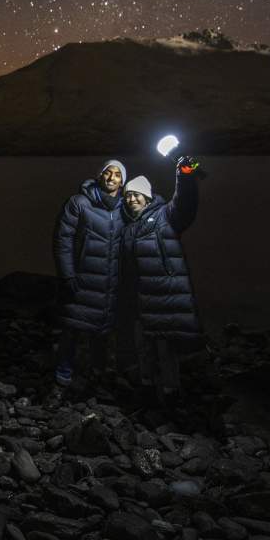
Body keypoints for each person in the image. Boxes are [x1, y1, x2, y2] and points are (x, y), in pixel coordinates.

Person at [118, 156, 203, 405]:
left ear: (147, 197)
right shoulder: (128, 230)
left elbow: (185, 204)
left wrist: (185, 175)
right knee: (142, 347)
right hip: (141, 300)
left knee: (166, 350)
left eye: (137, 195)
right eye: (128, 196)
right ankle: (146, 390)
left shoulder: (166, 216)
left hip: (165, 298)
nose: (132, 199)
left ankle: (171, 393)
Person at [52, 159, 127, 389]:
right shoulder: (79, 203)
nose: (111, 178)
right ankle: (64, 369)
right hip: (82, 278)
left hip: (109, 281)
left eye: (117, 175)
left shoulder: (125, 208)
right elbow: (62, 240)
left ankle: (97, 371)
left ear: (122, 182)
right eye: (107, 172)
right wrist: (67, 275)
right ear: (99, 175)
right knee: (72, 326)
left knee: (101, 329)